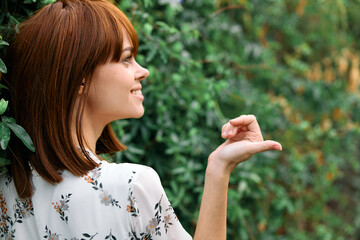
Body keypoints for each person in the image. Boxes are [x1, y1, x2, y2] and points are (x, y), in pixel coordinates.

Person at [0, 0, 282, 239]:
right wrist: (219, 169)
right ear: (80, 77)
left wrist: (219, 167)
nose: (143, 71)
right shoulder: (131, 186)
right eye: (126, 59)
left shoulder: (6, 189)